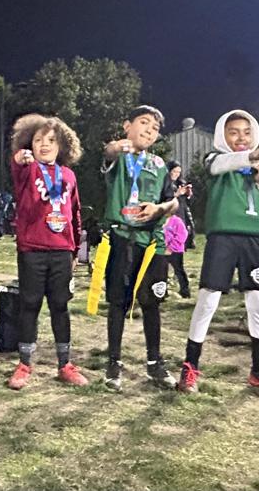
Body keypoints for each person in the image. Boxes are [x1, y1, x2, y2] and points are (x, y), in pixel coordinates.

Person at [178, 109, 259, 397]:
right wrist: (252, 155)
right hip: (223, 238)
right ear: (223, 135)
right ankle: (190, 367)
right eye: (233, 132)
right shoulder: (217, 159)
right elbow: (220, 165)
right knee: (208, 300)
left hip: (253, 240)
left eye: (246, 132)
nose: (241, 137)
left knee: (258, 303)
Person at [6, 114, 88, 390]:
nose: (44, 145)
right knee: (29, 305)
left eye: (51, 140)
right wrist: (21, 158)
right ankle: (24, 364)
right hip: (32, 250)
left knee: (60, 306)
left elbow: (75, 213)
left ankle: (65, 364)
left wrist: (75, 250)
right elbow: (17, 162)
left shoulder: (68, 175)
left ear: (61, 145)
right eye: (38, 140)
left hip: (62, 250)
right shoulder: (27, 170)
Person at [100, 105, 178, 392]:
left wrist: (159, 208)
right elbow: (108, 152)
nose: (149, 130)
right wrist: (116, 147)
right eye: (144, 123)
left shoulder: (159, 164)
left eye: (155, 128)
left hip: (151, 243)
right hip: (122, 238)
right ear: (127, 126)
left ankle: (154, 363)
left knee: (151, 303)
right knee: (118, 303)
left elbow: (173, 202)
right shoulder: (119, 157)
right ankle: (114, 362)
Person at [165, 161, 193, 297]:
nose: (176, 174)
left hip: (179, 222)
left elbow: (187, 204)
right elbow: (163, 200)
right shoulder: (164, 184)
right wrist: (176, 194)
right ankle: (162, 290)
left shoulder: (180, 183)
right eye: (174, 171)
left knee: (178, 262)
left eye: (178, 172)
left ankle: (185, 289)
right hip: (167, 222)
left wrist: (188, 194)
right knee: (162, 264)